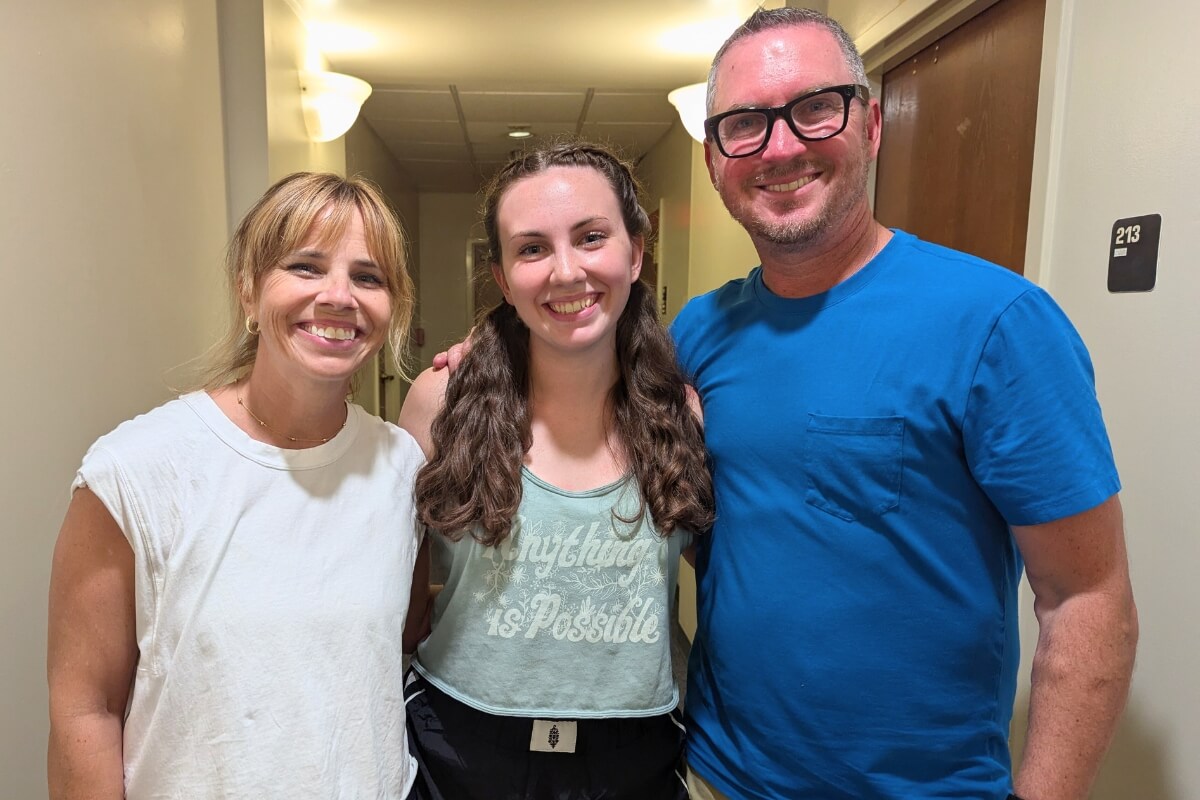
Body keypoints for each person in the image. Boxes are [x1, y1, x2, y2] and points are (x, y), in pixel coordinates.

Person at [670, 8, 1138, 800]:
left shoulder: (997, 323)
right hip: (715, 776)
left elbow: (1087, 597)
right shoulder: (700, 330)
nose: (780, 147)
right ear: (716, 159)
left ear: (871, 123)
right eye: (745, 124)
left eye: (815, 108)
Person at [47, 172, 426, 799]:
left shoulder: (401, 469)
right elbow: (85, 711)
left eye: (368, 277)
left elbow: (394, 647)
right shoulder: (134, 472)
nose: (339, 296)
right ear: (248, 290)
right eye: (305, 267)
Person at [398, 142, 713, 800]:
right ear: (504, 277)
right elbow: (391, 598)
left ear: (635, 251)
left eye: (591, 236)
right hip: (461, 744)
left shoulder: (682, 413)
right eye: (532, 248)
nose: (566, 271)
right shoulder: (441, 402)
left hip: (632, 753)